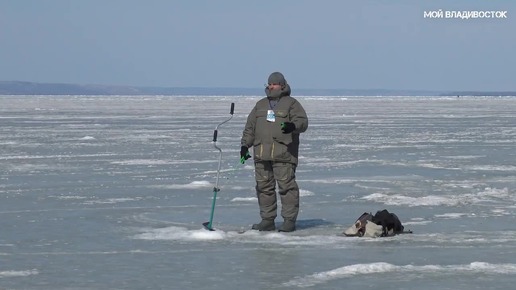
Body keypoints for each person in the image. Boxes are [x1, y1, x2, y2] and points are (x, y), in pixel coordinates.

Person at [240, 72, 308, 232]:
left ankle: (289, 221)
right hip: (261, 154)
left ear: (282, 86)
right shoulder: (260, 105)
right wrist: (244, 146)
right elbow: (250, 128)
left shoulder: (291, 104)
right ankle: (267, 220)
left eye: (274, 84)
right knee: (264, 188)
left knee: (287, 188)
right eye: (269, 84)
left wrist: (293, 126)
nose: (271, 86)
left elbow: (303, 122)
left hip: (283, 153)